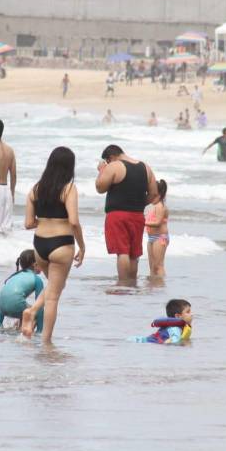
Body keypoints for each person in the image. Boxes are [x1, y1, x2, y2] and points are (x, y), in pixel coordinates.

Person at [21, 147, 85, 343]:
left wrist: (47, 221)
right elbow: (73, 221)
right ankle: (46, 342)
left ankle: (32, 311)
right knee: (53, 297)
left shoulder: (36, 189)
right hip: (61, 245)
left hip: (39, 245)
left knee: (55, 286)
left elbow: (28, 223)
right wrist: (82, 246)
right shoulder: (68, 188)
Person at [95, 145, 158, 282]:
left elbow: (100, 187)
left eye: (107, 161)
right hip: (137, 215)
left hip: (117, 215)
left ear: (110, 157)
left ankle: (123, 284)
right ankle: (132, 284)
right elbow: (153, 194)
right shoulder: (145, 167)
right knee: (134, 254)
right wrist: (139, 204)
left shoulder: (115, 165)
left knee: (122, 251)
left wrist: (101, 170)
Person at [0, 249, 45, 332]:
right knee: (34, 312)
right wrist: (40, 331)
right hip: (16, 306)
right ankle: (24, 333)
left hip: (1, 306)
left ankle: (17, 330)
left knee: (24, 309)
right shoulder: (37, 280)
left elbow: (5, 297)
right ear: (35, 264)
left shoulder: (14, 276)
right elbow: (39, 306)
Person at [145, 179, 169, 277]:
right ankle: (153, 283)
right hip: (151, 238)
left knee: (158, 265)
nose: (149, 196)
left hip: (160, 238)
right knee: (152, 266)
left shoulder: (160, 206)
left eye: (151, 194)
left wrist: (143, 222)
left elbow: (157, 223)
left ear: (158, 194)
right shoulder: (153, 206)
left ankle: (160, 284)